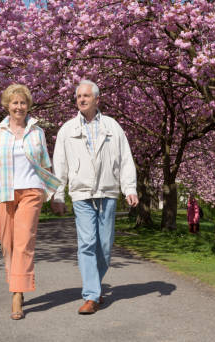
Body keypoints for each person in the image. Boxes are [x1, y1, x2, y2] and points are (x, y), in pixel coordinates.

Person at [51, 79, 139, 315]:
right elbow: (60, 166)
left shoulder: (113, 126)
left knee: (105, 246)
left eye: (86, 96)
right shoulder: (67, 130)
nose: (81, 99)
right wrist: (58, 195)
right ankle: (91, 295)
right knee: (87, 243)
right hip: (81, 194)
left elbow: (125, 159)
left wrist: (129, 188)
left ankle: (95, 286)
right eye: (78, 96)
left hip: (108, 192)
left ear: (97, 99)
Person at [0, 84, 61, 320]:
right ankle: (17, 283)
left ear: (28, 106)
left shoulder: (37, 132)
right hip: (3, 193)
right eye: (15, 103)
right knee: (8, 245)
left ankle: (17, 294)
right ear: (7, 105)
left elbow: (45, 164)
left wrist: (51, 193)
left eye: (23, 103)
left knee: (24, 243)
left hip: (31, 192)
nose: (19, 107)